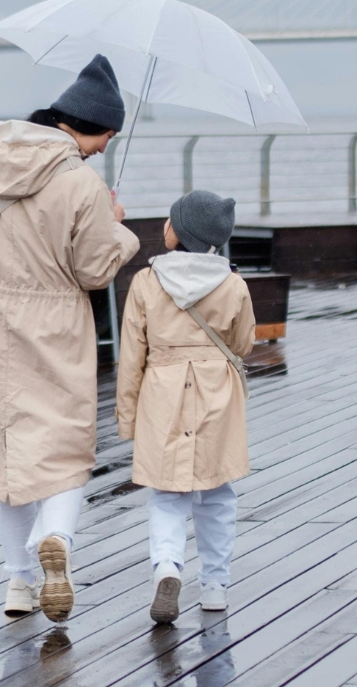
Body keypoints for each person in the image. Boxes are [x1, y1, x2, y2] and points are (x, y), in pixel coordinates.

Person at [0, 54, 140, 623]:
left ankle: (16, 584)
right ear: (88, 125)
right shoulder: (83, 181)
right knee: (64, 443)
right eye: (108, 135)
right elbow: (94, 272)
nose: (107, 147)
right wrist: (121, 229)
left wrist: (5, 266)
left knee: (5, 450)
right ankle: (57, 537)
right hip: (55, 321)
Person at [116, 190, 255, 623]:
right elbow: (244, 342)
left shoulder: (145, 281)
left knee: (166, 492)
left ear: (177, 232)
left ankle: (167, 567)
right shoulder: (233, 283)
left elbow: (131, 356)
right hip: (216, 391)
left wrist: (128, 417)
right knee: (217, 493)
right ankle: (214, 585)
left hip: (162, 392)